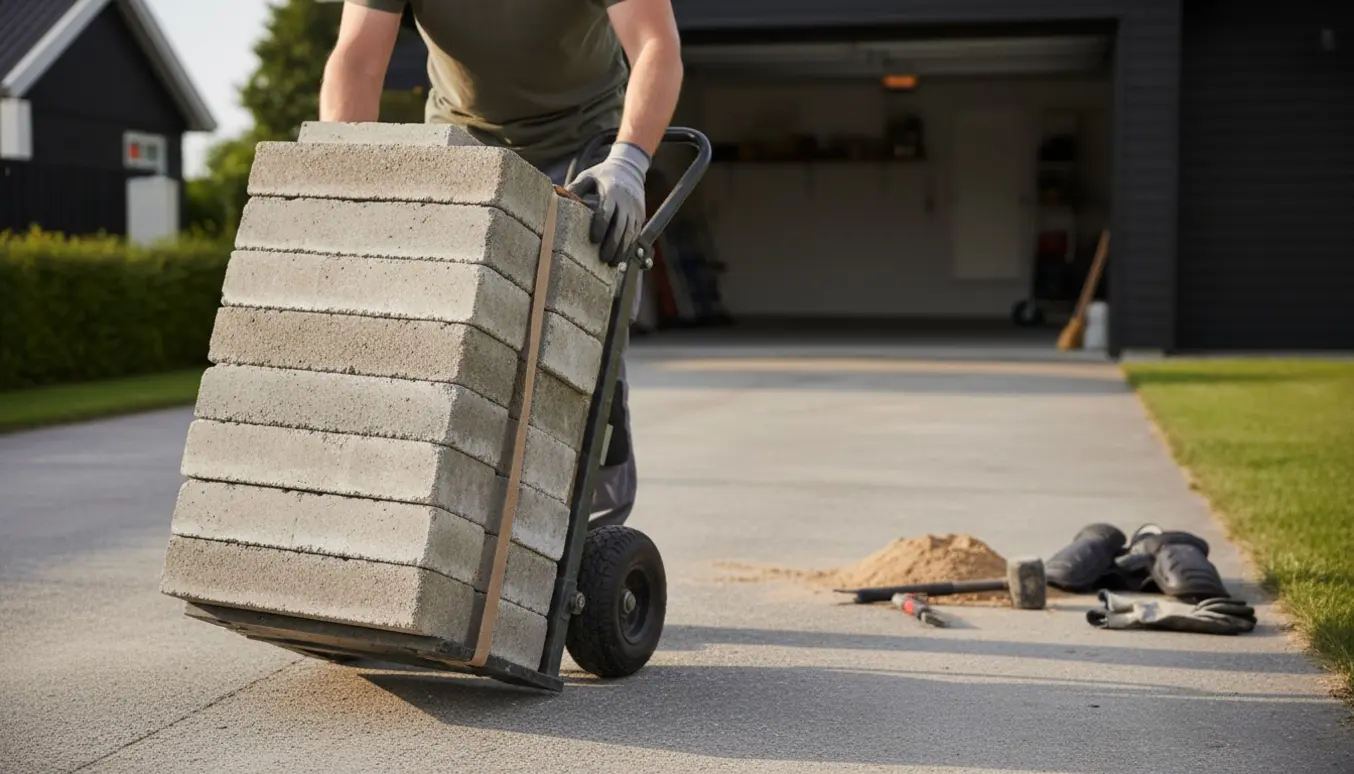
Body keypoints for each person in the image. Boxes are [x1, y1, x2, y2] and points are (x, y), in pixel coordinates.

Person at [318, 0, 683, 526]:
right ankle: (447, 518)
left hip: (585, 142)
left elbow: (655, 44)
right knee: (452, 337)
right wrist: (347, 185)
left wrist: (629, 162)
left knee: (580, 340)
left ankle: (592, 533)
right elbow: (356, 61)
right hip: (466, 140)